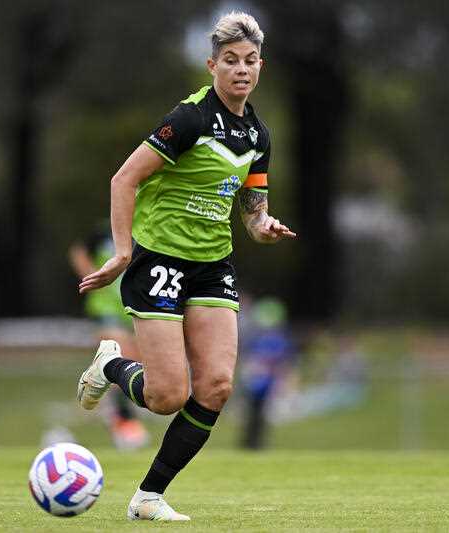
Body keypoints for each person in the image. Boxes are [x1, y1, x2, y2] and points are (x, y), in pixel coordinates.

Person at [76, 12, 296, 521]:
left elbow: (253, 209)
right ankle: (110, 364)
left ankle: (148, 497)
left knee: (217, 385)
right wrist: (123, 252)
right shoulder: (190, 118)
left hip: (212, 264)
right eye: (230, 61)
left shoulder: (258, 135)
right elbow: (122, 180)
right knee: (167, 395)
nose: (240, 70)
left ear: (260, 65)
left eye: (249, 61)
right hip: (159, 258)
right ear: (212, 65)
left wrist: (264, 226)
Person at [68, 231, 150, 450]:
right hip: (106, 309)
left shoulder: (148, 233)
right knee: (122, 356)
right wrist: (90, 275)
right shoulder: (105, 233)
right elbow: (78, 250)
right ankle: (124, 421)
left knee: (138, 366)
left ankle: (111, 410)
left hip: (134, 307)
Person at [238, 296, 295, 450]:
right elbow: (249, 357)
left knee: (260, 415)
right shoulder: (258, 338)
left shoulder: (277, 339)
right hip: (256, 381)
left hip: (267, 382)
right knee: (252, 414)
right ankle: (249, 444)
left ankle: (255, 445)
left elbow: (283, 362)